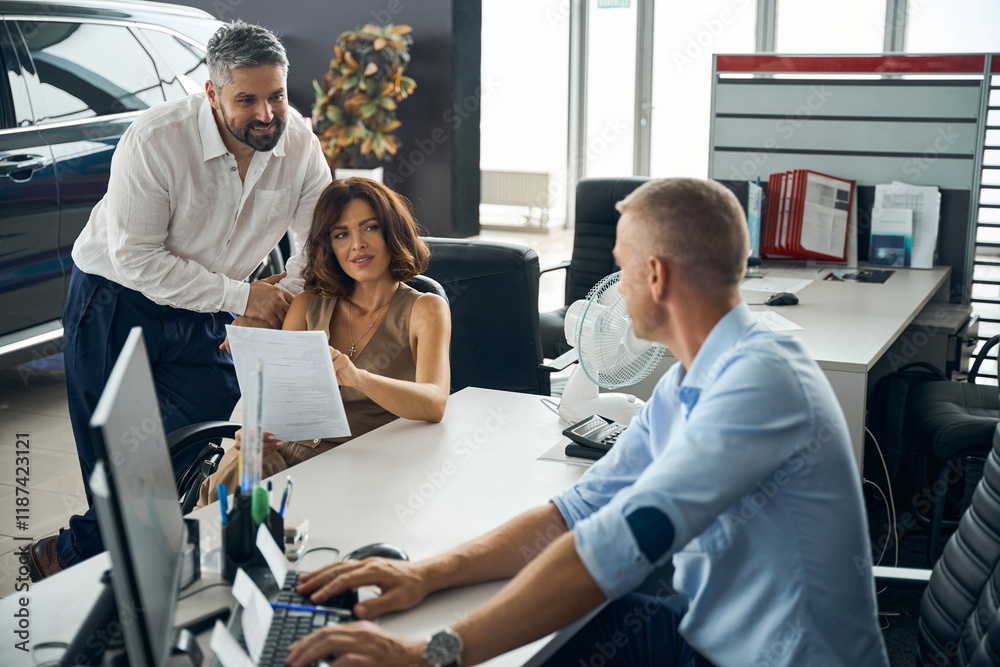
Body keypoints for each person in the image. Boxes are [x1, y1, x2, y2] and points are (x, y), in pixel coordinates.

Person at [279, 178, 890, 667]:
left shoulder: (758, 385)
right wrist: (422, 574)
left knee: (489, 644)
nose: (612, 291)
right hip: (699, 633)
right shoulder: (687, 380)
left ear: (655, 276)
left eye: (620, 269)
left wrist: (432, 654)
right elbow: (575, 513)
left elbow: (616, 547)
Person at [27, 21, 333, 580]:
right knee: (122, 463)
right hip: (116, 303)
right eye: (247, 100)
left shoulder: (300, 144)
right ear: (212, 93)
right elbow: (136, 258)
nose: (266, 115)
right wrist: (242, 294)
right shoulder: (155, 140)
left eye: (277, 96)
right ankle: (83, 562)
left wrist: (270, 299)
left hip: (216, 307)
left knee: (197, 444)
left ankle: (81, 552)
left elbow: (315, 249)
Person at [194, 178, 450, 508]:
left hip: (358, 468)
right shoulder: (306, 304)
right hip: (283, 458)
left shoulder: (425, 310)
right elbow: (278, 403)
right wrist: (257, 434)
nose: (356, 244)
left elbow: (434, 402)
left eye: (369, 228)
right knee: (238, 476)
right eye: (341, 234)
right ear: (329, 246)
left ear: (392, 232)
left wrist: (358, 377)